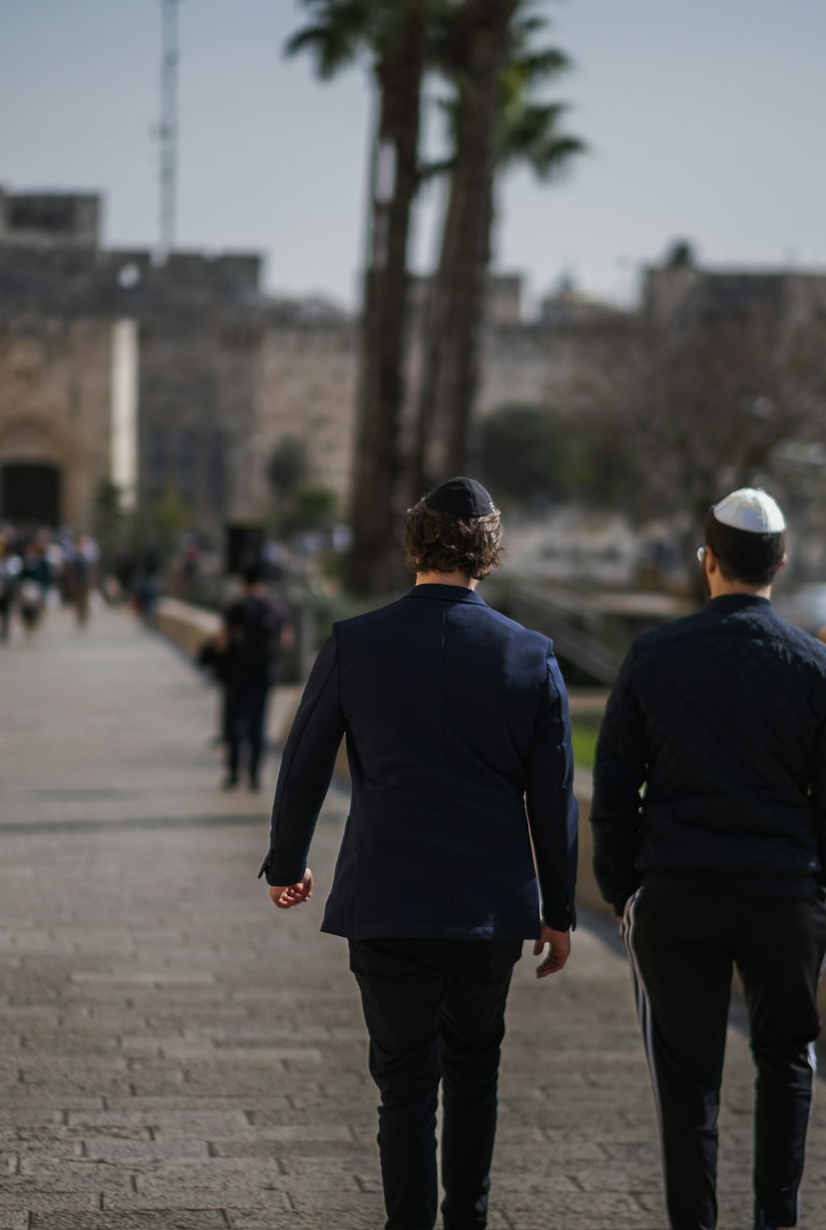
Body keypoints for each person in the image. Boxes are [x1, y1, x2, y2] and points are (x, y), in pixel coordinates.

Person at [260, 477, 578, 1230]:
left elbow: (303, 761)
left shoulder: (355, 643)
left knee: (403, 1084)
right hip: (490, 908)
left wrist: (286, 864)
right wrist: (558, 912)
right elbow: (555, 797)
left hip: (387, 899)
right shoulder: (531, 656)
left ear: (414, 542)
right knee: (475, 1074)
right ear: (489, 551)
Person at [591, 487, 826, 1230]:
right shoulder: (818, 665)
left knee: (685, 1086)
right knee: (787, 1064)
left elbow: (614, 786)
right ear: (782, 561)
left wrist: (623, 887)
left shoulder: (653, 655)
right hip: (784, 896)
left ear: (707, 561)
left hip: (677, 895)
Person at [216, 564, 285, 791]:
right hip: (264, 672)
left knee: (237, 720)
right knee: (258, 722)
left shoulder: (235, 607)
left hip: (238, 671)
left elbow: (223, 642)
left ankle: (234, 772)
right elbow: (286, 640)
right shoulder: (275, 607)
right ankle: (255, 775)